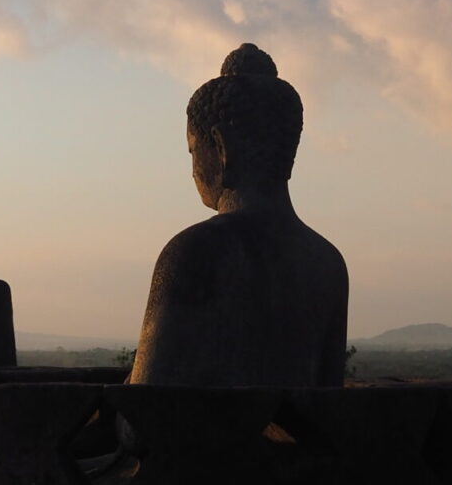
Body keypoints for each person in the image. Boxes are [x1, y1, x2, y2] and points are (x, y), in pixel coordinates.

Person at [129, 43, 348, 387]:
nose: (192, 172)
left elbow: (143, 411)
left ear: (220, 148)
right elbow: (327, 401)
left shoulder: (192, 252)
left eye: (192, 151)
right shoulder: (328, 262)